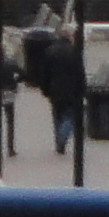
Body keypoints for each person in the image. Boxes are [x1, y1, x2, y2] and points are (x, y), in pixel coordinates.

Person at [22, 18, 86, 156]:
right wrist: (83, 89)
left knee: (57, 115)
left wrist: (44, 88)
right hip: (71, 89)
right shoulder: (74, 51)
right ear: (70, 36)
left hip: (54, 88)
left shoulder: (50, 51)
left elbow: (45, 72)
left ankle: (58, 143)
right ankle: (63, 135)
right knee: (71, 115)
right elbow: (80, 72)